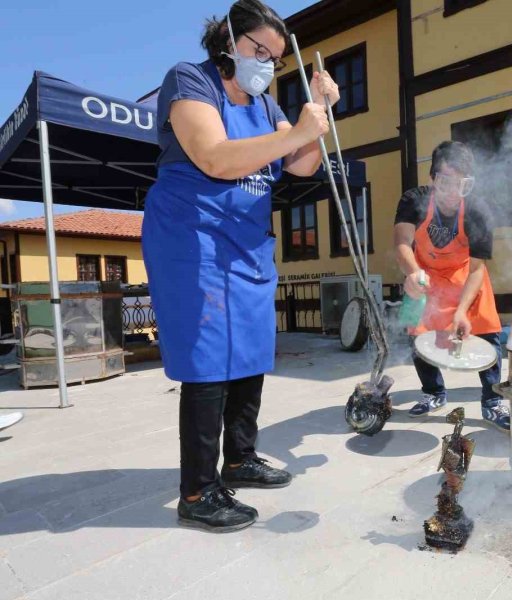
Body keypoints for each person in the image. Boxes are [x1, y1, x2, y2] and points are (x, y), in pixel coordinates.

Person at [142, 0, 337, 532]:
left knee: (250, 350)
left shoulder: (266, 105)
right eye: (260, 51)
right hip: (193, 238)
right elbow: (214, 156)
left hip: (247, 243)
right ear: (229, 41)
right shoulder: (190, 80)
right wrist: (295, 132)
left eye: (275, 58)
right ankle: (197, 490)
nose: (267, 64)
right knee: (209, 358)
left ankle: (240, 458)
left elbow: (302, 165)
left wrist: (319, 111)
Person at [393, 141, 510, 432]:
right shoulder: (413, 200)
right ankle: (433, 392)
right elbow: (402, 243)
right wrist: (413, 274)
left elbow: (477, 268)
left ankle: (493, 400)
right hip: (423, 275)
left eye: (461, 184)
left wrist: (461, 311)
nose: (452, 192)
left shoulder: (478, 210)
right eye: (445, 182)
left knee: (488, 332)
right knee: (415, 332)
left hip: (465, 275)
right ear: (432, 178)